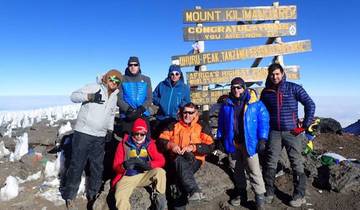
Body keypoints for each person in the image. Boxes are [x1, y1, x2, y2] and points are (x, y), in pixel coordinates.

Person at [62, 69, 122, 210]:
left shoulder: (114, 95)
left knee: (97, 166)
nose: (113, 82)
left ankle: (93, 194)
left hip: (100, 136)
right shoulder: (93, 87)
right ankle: (70, 196)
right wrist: (89, 97)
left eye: (117, 81)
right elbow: (73, 96)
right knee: (77, 164)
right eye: (112, 79)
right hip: (83, 133)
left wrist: (110, 130)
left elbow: (111, 114)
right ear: (106, 78)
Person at [260, 63, 315, 208]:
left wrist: (304, 126)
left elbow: (310, 104)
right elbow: (262, 113)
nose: (275, 77)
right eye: (272, 74)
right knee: (270, 161)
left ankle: (299, 194)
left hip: (292, 132)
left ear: (283, 73)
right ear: (269, 75)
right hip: (274, 132)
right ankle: (269, 192)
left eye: (277, 74)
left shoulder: (293, 88)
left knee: (296, 161)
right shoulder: (266, 92)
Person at [217, 77, 269, 210]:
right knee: (237, 170)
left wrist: (262, 139)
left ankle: (260, 199)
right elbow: (221, 124)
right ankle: (241, 194)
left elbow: (264, 121)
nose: (236, 90)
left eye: (239, 87)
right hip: (233, 143)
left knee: (254, 170)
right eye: (233, 87)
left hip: (250, 143)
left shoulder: (255, 103)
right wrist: (220, 138)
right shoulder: (227, 104)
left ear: (244, 88)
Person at [158, 102, 214, 209]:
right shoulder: (173, 125)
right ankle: (194, 190)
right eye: (185, 112)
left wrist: (194, 147)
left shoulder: (201, 125)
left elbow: (211, 145)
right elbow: (161, 139)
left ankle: (190, 194)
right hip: (176, 158)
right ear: (181, 113)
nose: (187, 115)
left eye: (190, 113)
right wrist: (171, 145)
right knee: (179, 166)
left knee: (179, 175)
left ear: (195, 113)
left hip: (194, 158)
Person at [112, 118, 167, 210]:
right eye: (136, 133)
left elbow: (161, 160)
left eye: (142, 134)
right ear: (132, 132)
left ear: (145, 133)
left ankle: (160, 200)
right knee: (120, 196)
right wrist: (124, 165)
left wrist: (148, 165)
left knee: (160, 172)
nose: (139, 136)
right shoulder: (123, 144)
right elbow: (115, 166)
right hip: (127, 177)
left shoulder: (150, 144)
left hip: (144, 175)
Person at [152, 64, 191, 138]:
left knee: (172, 141)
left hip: (175, 119)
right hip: (161, 118)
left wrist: (180, 105)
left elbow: (187, 102)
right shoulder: (162, 85)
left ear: (180, 75)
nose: (174, 76)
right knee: (158, 139)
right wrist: (160, 102)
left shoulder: (184, 87)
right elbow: (153, 96)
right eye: (172, 74)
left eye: (177, 74)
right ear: (169, 74)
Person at [117, 56, 152, 137]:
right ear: (128, 66)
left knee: (145, 141)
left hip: (143, 114)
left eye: (135, 65)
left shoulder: (146, 79)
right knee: (127, 142)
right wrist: (128, 109)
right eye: (130, 65)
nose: (133, 67)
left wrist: (141, 109)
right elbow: (119, 98)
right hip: (127, 115)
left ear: (139, 66)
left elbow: (149, 98)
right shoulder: (122, 79)